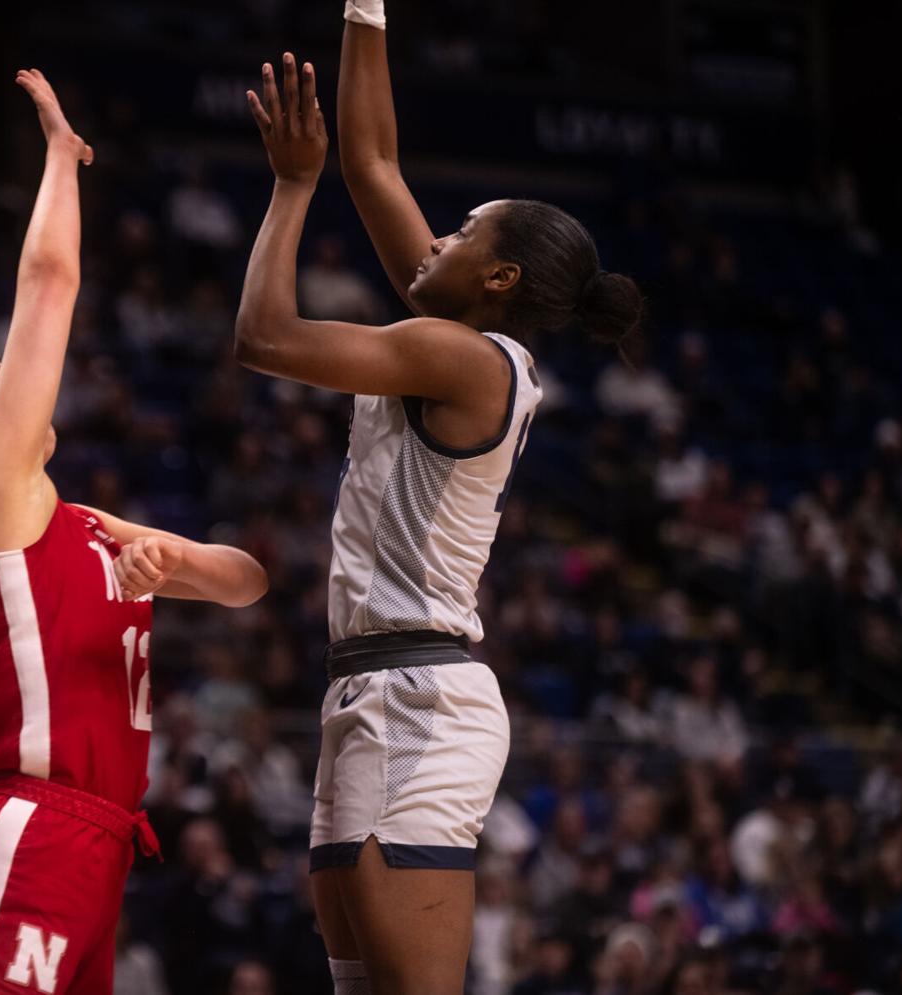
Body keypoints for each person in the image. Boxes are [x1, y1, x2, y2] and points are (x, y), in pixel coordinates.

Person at [235, 2, 643, 989]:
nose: (438, 237)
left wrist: (293, 188)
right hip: (368, 684)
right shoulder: (453, 335)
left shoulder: (460, 355)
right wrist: (364, 8)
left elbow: (265, 339)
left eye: (460, 230)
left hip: (420, 696)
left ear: (497, 276)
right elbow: (373, 162)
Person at [0, 70, 268, 995]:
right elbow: (49, 282)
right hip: (27, 828)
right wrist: (61, 160)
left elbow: (248, 582)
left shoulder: (75, 524)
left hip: (98, 842)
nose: (21, 381)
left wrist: (173, 557)